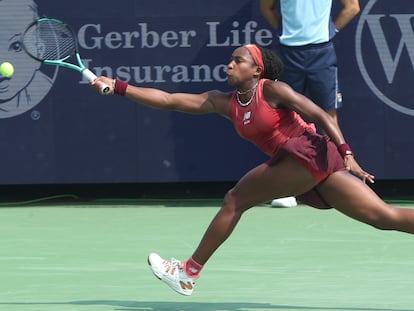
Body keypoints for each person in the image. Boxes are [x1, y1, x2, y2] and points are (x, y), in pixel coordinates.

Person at [91, 44, 414, 297]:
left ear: (257, 70)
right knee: (383, 218)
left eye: (238, 60)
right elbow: (169, 99)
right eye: (230, 60)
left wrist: (347, 152)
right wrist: (119, 87)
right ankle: (188, 273)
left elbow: (320, 114)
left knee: (235, 199)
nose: (229, 64)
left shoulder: (272, 90)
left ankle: (188, 273)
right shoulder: (224, 102)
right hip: (306, 164)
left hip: (308, 153)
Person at [260, 0, 360, 207]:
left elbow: (352, 6)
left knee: (328, 115)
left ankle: (338, 185)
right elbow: (266, 8)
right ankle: (284, 189)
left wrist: (329, 30)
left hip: (322, 52)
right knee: (283, 117)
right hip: (289, 53)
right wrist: (286, 32)